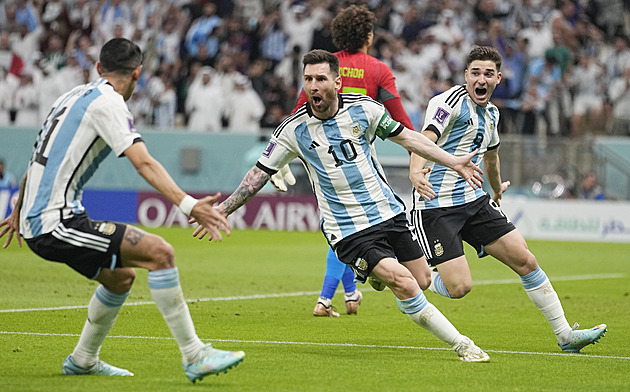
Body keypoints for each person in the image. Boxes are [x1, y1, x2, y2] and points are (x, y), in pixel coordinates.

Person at [194, 49, 490, 362]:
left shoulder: (365, 110)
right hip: (347, 228)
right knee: (403, 282)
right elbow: (257, 175)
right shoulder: (292, 130)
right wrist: (223, 209)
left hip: (388, 213)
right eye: (307, 79)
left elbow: (410, 140)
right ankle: (463, 346)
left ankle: (374, 275)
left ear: (337, 82)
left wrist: (454, 161)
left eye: (320, 78)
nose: (313, 86)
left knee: (422, 280)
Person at [0, 38, 244, 382]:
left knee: (120, 278)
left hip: (47, 218)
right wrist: (189, 205)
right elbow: (143, 162)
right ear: (139, 73)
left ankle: (83, 358)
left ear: (99, 68)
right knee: (161, 252)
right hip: (54, 223)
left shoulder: (71, 96)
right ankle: (195, 355)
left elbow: (38, 156)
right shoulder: (109, 104)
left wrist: (19, 207)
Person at [407, 45, 607, 353]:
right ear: (466, 76)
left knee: (525, 259)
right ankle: (413, 273)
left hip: (474, 201)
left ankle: (566, 336)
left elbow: (492, 157)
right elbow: (424, 138)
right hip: (436, 205)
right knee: (459, 287)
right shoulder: (447, 102)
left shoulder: (492, 114)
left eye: (488, 74)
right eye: (475, 73)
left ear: (498, 78)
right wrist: (415, 172)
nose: (481, 79)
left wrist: (497, 189)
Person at [287, 5, 420, 318]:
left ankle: (344, 294)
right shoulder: (377, 70)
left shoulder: (324, 68)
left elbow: (296, 116)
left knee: (344, 229)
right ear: (369, 37)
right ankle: (336, 292)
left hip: (320, 156)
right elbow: (400, 119)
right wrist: (418, 154)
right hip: (359, 158)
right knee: (354, 230)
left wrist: (281, 161)